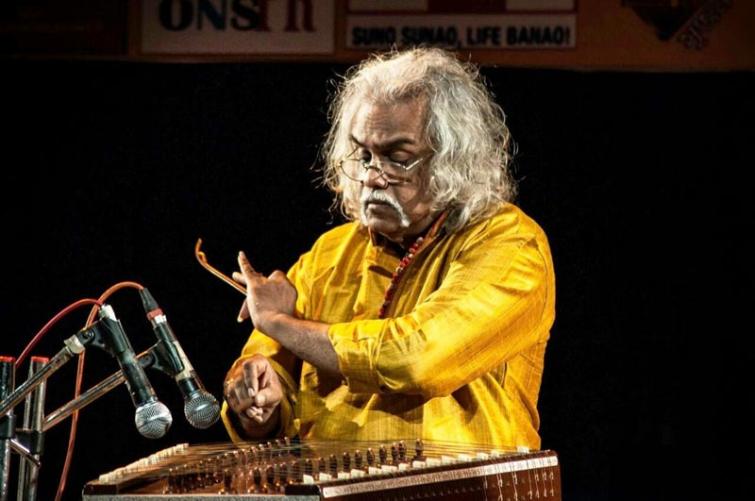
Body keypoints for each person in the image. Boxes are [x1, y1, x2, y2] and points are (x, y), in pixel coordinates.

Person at [221, 48, 555, 450]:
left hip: (464, 482)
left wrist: (279, 322)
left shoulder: (509, 243)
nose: (372, 177)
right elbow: (271, 382)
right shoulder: (330, 253)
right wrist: (257, 401)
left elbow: (417, 359)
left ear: (453, 159)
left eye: (397, 158)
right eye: (364, 155)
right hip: (330, 481)